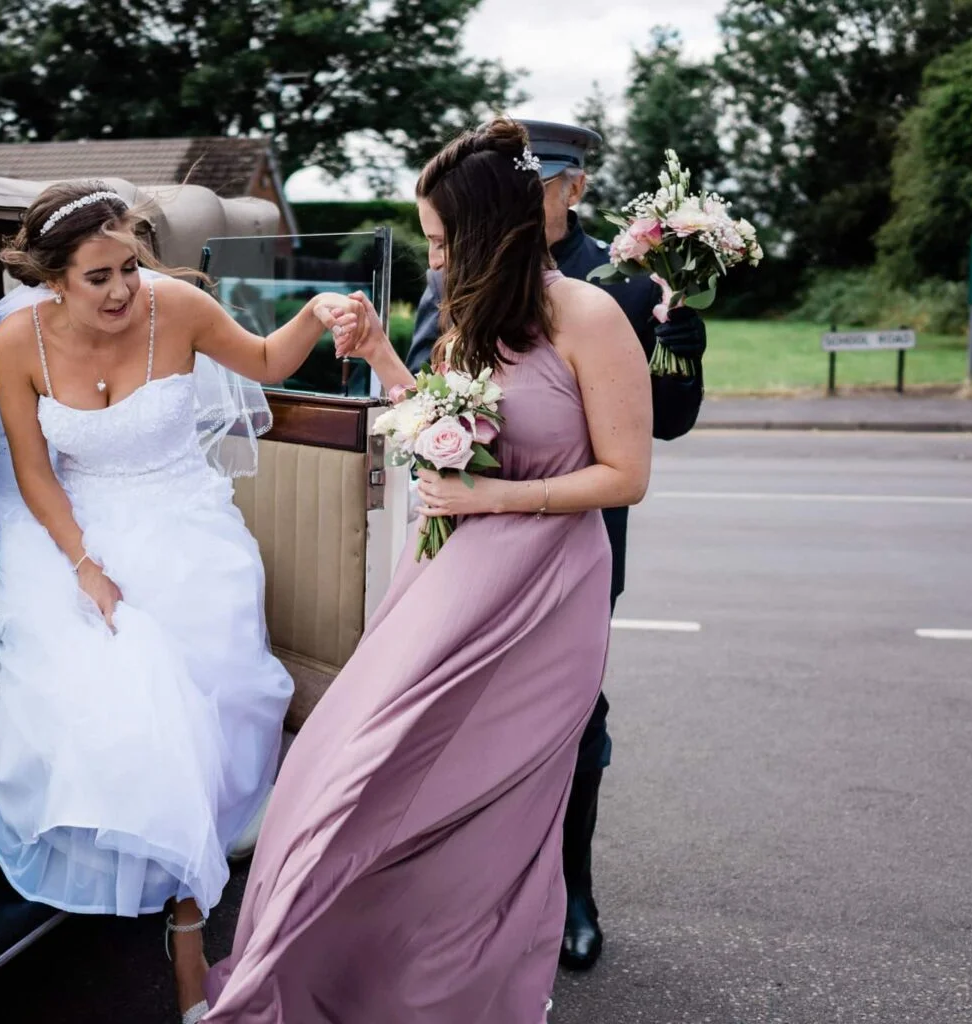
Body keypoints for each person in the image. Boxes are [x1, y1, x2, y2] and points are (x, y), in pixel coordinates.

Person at [203, 117, 652, 1023]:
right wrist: (378, 360)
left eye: (444, 239)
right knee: (354, 765)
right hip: (445, 581)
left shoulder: (591, 314)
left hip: (547, 592)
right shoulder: (466, 313)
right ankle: (330, 958)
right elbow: (445, 426)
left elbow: (626, 474)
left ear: (493, 230)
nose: (435, 257)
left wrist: (498, 502)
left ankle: (456, 988)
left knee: (492, 803)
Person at [0, 181, 364, 1024]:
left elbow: (262, 362)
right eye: (96, 278)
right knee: (103, 698)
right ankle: (153, 888)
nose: (120, 291)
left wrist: (317, 312)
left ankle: (188, 920)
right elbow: (34, 468)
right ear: (51, 281)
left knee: (205, 708)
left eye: (128, 267)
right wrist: (82, 563)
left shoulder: (176, 306)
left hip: (186, 531)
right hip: (77, 536)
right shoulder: (15, 340)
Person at [408, 119, 708, 971]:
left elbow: (661, 430)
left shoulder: (619, 280)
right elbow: (436, 390)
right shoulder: (461, 272)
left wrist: (681, 354)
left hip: (575, 538)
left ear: (571, 187)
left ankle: (570, 889)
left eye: (542, 181)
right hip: (471, 540)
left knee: (575, 720)